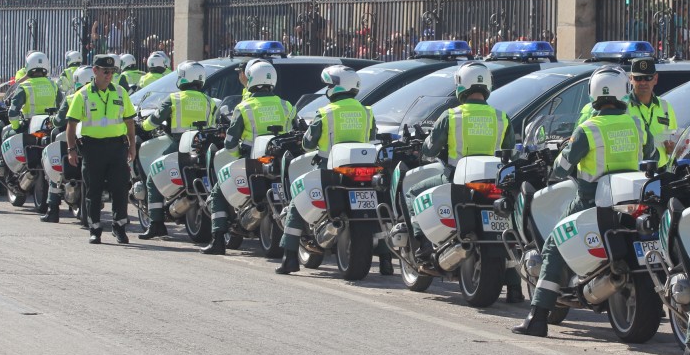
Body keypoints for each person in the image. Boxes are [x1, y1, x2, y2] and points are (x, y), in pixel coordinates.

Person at [513, 68, 655, 335]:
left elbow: (562, 168)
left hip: (591, 200)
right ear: (624, 91)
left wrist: (557, 164)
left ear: (593, 94)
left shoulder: (588, 129)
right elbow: (652, 153)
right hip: (631, 198)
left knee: (555, 241)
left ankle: (538, 317)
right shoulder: (637, 124)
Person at [391, 62, 520, 296]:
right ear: (487, 86)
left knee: (412, 193)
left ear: (461, 86)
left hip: (455, 178)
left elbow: (430, 150)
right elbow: (510, 150)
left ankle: (422, 247)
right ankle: (514, 286)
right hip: (494, 181)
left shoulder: (451, 116)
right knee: (505, 225)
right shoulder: (501, 117)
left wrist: (427, 147)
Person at [276, 65, 378, 273]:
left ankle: (290, 257)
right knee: (375, 206)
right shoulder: (367, 112)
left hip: (330, 171)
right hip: (364, 169)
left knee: (297, 197)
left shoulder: (325, 112)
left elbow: (308, 144)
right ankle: (385, 260)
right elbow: (373, 138)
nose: (327, 89)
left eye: (329, 85)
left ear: (336, 88)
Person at [202, 61, 296, 255]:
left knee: (219, 191)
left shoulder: (244, 107)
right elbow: (296, 132)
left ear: (251, 79)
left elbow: (230, 143)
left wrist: (237, 155)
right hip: (280, 162)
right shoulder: (286, 105)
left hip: (252, 161)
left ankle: (218, 240)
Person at [138, 62, 218, 240]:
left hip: (179, 144)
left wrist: (142, 126)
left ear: (182, 77)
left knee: (153, 178)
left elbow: (154, 121)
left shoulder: (174, 98)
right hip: (202, 146)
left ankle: (156, 224)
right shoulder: (209, 101)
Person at [65, 55, 137, 245]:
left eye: (112, 72)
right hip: (92, 148)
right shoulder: (83, 95)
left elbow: (129, 121)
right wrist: (71, 149)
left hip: (117, 147)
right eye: (105, 71)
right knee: (93, 190)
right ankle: (95, 229)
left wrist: (132, 146)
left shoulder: (121, 93)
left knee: (120, 189)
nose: (109, 75)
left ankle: (119, 227)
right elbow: (71, 125)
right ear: (95, 71)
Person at [41, 65, 95, 223]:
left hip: (73, 142)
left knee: (56, 166)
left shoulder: (72, 97)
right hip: (94, 141)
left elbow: (59, 120)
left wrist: (52, 120)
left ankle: (53, 208)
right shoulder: (102, 96)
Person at [624, 58, 679, 166]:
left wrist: (673, 149)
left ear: (655, 79)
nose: (643, 82)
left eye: (648, 78)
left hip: (661, 173)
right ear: (630, 78)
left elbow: (673, 139)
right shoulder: (623, 107)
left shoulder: (665, 106)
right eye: (638, 78)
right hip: (633, 172)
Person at [6, 51, 61, 141]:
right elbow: (61, 107)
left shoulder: (24, 86)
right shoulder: (53, 85)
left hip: (29, 128)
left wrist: (17, 127)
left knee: (6, 134)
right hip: (50, 127)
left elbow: (12, 112)